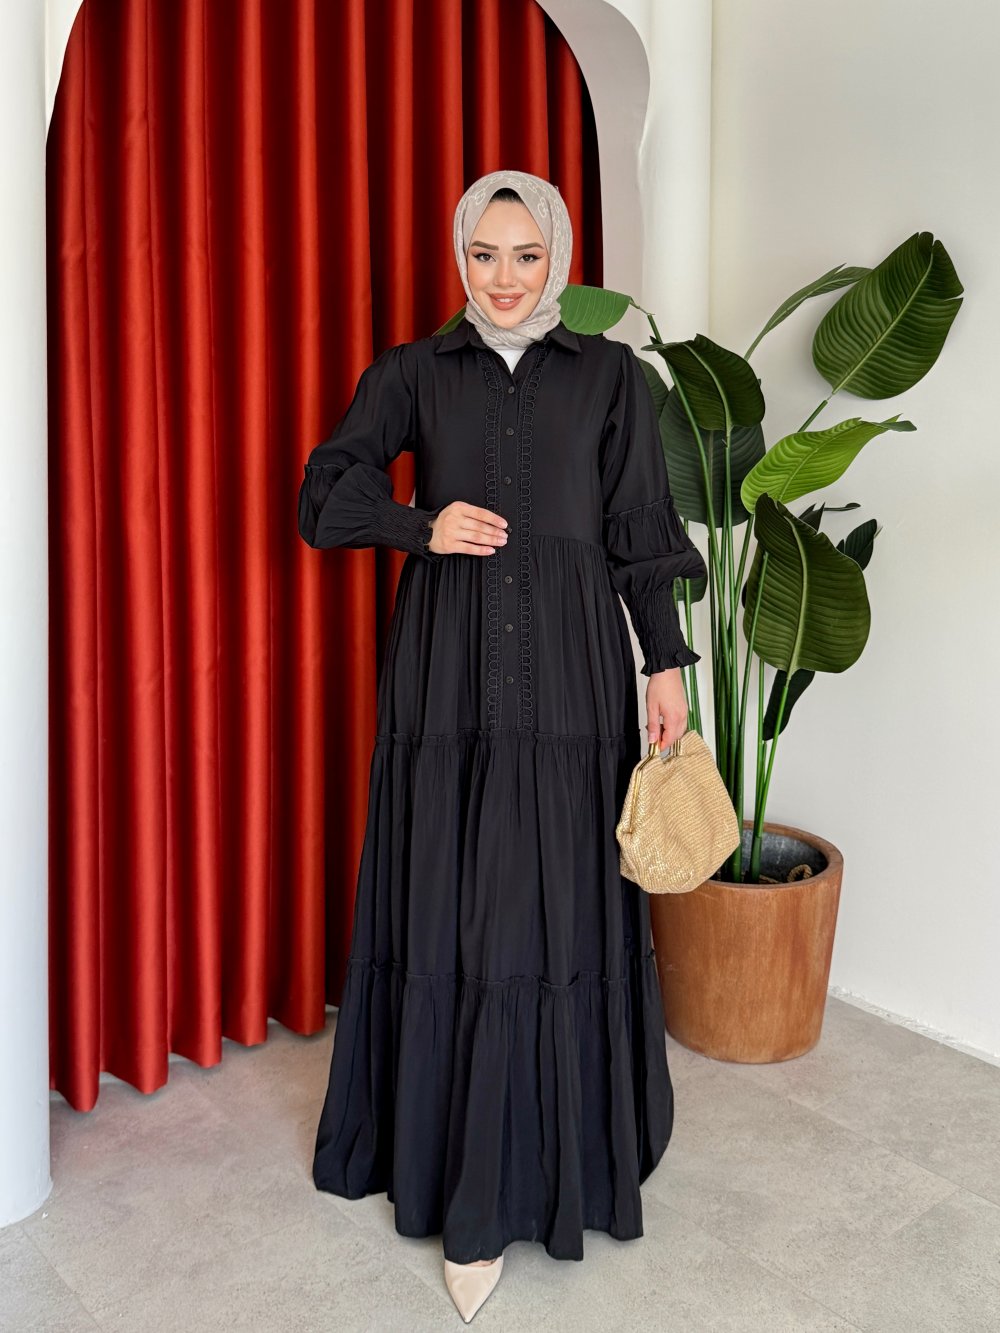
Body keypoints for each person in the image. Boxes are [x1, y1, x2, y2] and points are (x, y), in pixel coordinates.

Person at [297, 168, 708, 1323]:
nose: (506, 276)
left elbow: (639, 529)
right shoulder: (414, 373)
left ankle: (572, 1155)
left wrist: (664, 664)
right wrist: (416, 525)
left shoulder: (611, 377)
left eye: (527, 254)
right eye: (484, 253)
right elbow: (323, 495)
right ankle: (468, 1197)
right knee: (461, 906)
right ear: (460, 259)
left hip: (574, 674)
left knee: (561, 903)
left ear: (558, 257)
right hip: (448, 681)